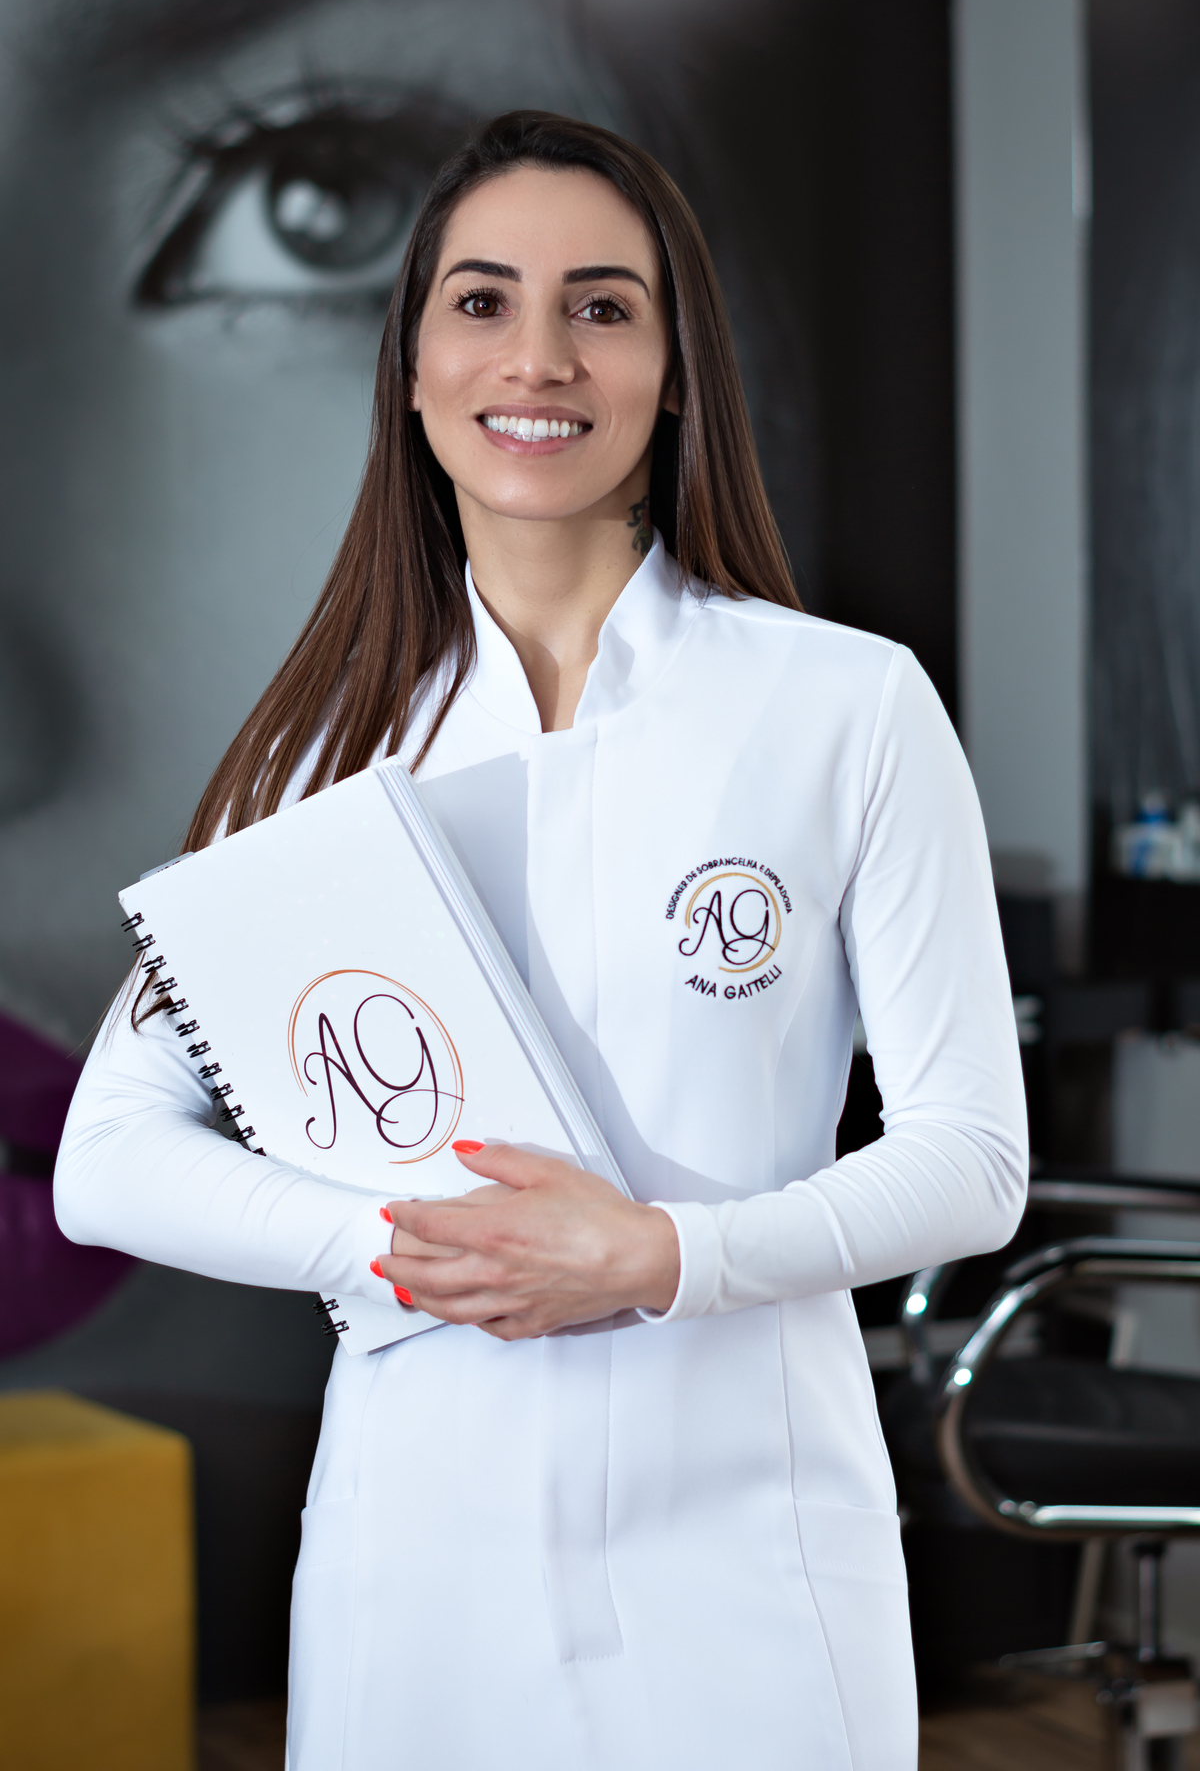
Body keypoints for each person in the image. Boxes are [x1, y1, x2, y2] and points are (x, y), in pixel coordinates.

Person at [55, 111, 1027, 1770]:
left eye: (602, 307)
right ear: (414, 367)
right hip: (420, 1562)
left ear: (675, 369)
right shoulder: (321, 755)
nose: (539, 358)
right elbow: (108, 1161)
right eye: (483, 301)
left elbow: (973, 1162)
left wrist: (660, 1259)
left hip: (758, 1557)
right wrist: (406, 1248)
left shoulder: (844, 705)